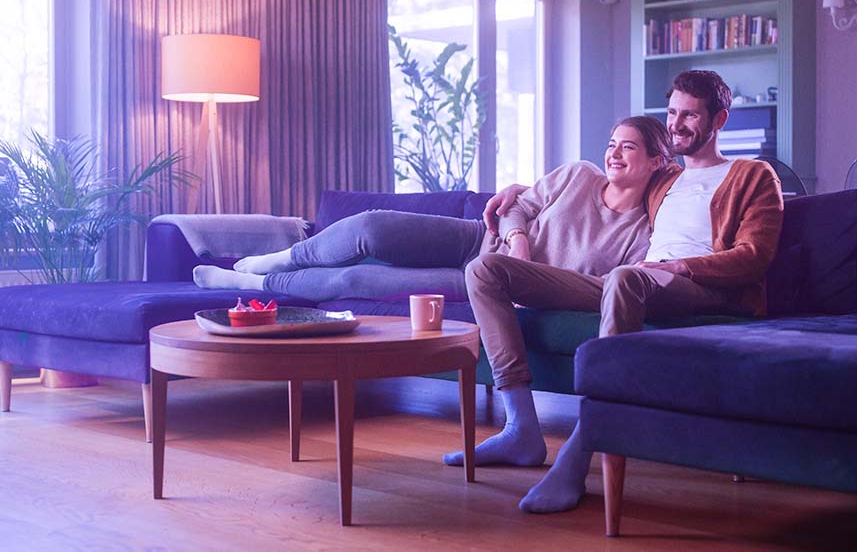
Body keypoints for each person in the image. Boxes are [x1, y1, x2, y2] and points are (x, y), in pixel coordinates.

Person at [455, 70, 783, 514]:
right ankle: (521, 427)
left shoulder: (752, 175)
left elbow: (754, 255)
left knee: (628, 276)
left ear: (718, 119)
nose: (677, 123)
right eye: (672, 112)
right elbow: (611, 174)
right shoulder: (663, 179)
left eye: (691, 115)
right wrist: (520, 190)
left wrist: (681, 265)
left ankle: (579, 450)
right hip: (629, 283)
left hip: (701, 287)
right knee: (484, 270)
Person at [192, 116, 671, 311]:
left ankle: (254, 286)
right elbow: (516, 206)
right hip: (475, 239)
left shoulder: (641, 235)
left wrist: (523, 272)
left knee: (354, 283)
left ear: (656, 162)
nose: (614, 154)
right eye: (612, 144)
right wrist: (518, 238)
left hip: (485, 280)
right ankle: (281, 258)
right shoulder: (579, 174)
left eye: (628, 148)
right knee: (371, 226)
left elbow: (594, 286)